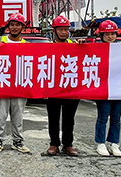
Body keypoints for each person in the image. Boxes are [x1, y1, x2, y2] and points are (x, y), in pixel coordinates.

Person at [0, 13, 30, 154]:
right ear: (8, 26)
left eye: (17, 25)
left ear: (23, 27)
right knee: (0, 114)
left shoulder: (27, 46)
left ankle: (17, 141)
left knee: (18, 115)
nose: (14, 27)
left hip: (19, 85)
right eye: (12, 25)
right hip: (2, 83)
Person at [45, 15, 79, 156]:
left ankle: (68, 145)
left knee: (69, 119)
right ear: (54, 31)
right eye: (60, 29)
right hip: (53, 88)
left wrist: (84, 46)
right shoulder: (48, 47)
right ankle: (54, 144)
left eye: (66, 29)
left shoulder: (76, 45)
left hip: (71, 88)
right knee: (53, 118)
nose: (64, 32)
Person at [94, 20, 121, 157]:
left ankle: (114, 143)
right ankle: (100, 143)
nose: (110, 37)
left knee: (116, 117)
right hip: (103, 88)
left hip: (119, 88)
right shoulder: (95, 48)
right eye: (106, 34)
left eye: (112, 34)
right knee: (103, 116)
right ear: (101, 35)